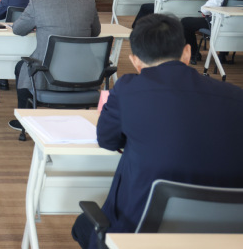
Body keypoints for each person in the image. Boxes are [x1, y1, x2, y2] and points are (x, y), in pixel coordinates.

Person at [71, 14, 243, 249]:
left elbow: (108, 140)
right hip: (226, 237)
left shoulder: (128, 89)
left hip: (139, 235)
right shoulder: (236, 97)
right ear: (187, 52)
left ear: (135, 61)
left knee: (83, 225)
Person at [8, 0, 101, 131]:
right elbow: (95, 32)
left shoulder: (37, 3)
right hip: (85, 74)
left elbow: (18, 29)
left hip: (47, 76)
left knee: (21, 67)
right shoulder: (88, 2)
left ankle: (25, 120)